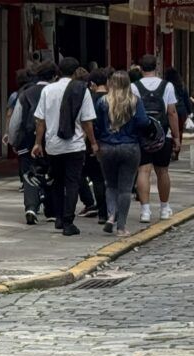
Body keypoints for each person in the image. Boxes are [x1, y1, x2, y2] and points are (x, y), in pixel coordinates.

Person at [32, 56, 98, 236]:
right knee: (72, 183)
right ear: (77, 71)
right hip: (75, 145)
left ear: (58, 71)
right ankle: (69, 222)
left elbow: (40, 121)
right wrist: (93, 142)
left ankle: (59, 218)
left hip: (53, 144)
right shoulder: (81, 90)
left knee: (57, 182)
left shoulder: (47, 90)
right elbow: (87, 122)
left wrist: (38, 143)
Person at [96, 70, 149, 237]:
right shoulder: (135, 101)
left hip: (107, 147)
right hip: (130, 146)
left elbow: (96, 124)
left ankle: (111, 214)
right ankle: (121, 227)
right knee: (125, 189)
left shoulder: (103, 102)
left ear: (111, 83)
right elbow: (143, 122)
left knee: (110, 185)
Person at [132, 54, 181, 222]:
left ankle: (145, 211)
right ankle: (164, 208)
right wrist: (176, 136)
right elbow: (172, 112)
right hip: (163, 134)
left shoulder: (134, 87)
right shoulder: (167, 86)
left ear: (140, 67)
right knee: (163, 171)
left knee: (143, 171)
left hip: (142, 135)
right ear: (156, 67)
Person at [8, 60, 56, 224]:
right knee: (51, 174)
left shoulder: (26, 94)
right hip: (52, 140)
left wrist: (13, 140)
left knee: (29, 174)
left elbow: (16, 120)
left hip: (28, 141)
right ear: (54, 76)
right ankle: (51, 211)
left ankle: (30, 207)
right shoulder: (55, 92)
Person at [78, 68, 110, 222]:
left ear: (92, 84)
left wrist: (91, 142)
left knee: (97, 179)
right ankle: (114, 212)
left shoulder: (89, 98)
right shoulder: (114, 98)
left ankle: (102, 213)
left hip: (95, 143)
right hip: (114, 142)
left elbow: (87, 122)